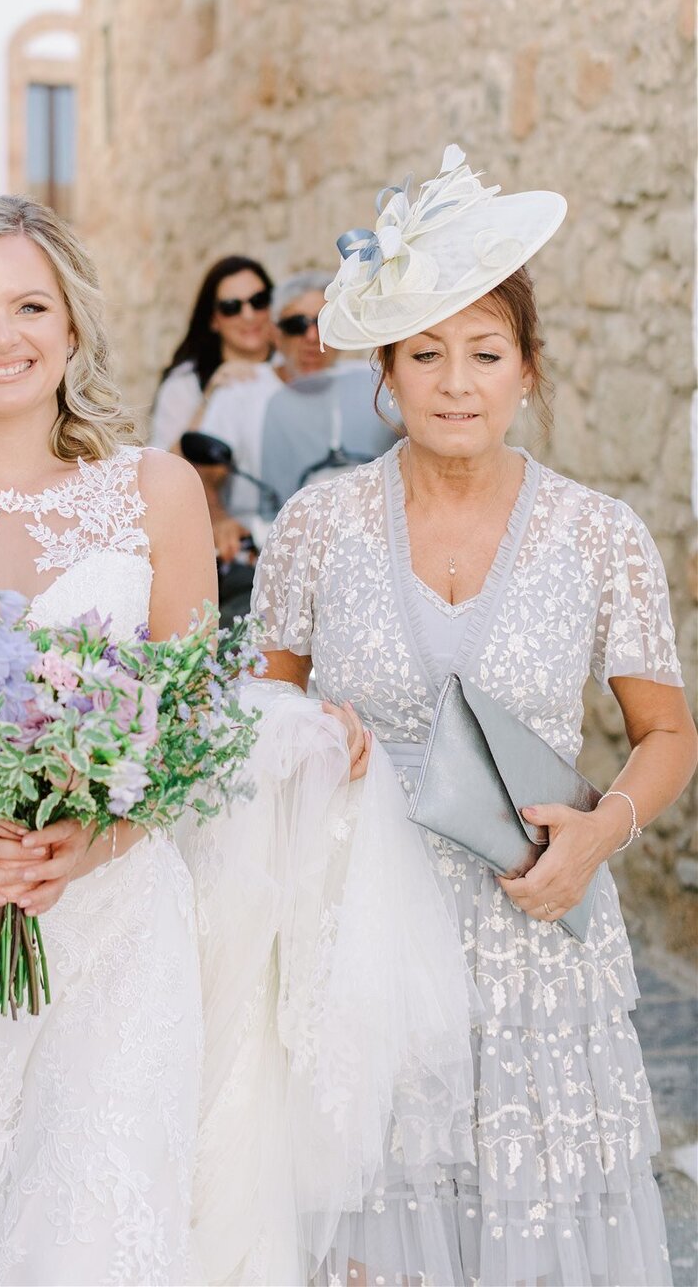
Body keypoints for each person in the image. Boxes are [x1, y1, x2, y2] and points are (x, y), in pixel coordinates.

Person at [0, 197, 475, 1287]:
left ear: (72, 329)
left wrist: (278, 745)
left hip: (116, 920)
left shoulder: (154, 490)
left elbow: (193, 715)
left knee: (99, 1237)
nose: (1, 336)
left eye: (29, 306)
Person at [253, 145, 696, 1287]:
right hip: (360, 938)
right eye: (427, 354)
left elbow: (668, 734)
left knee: (533, 1227)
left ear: (529, 370)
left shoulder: (603, 538)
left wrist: (602, 834)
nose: (458, 382)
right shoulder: (316, 524)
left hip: (535, 931)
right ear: (386, 376)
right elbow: (258, 715)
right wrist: (312, 739)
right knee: (374, 1237)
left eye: (486, 354)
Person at [192, 269, 397, 558]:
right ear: (274, 333)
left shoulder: (374, 383)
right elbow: (206, 477)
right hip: (264, 550)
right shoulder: (241, 390)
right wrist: (220, 520)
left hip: (364, 547)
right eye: (295, 325)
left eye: (323, 323)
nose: (311, 336)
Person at [149, 254, 275, 453]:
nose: (248, 315)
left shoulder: (293, 364)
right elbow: (163, 466)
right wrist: (209, 401)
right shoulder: (185, 385)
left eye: (258, 300)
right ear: (213, 319)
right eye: (231, 307)